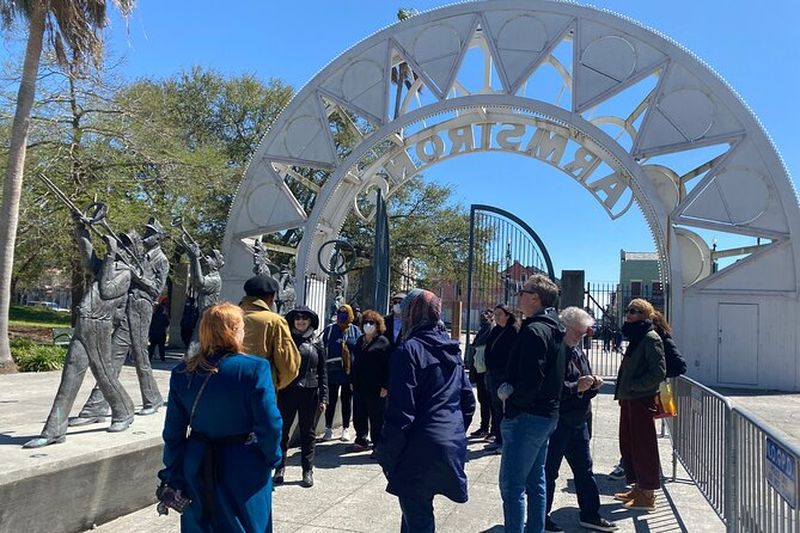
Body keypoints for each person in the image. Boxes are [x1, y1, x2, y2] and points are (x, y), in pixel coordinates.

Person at [157, 303, 283, 531]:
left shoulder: (183, 372)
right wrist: (272, 458)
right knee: (246, 525)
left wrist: (173, 472)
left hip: (196, 462)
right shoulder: (253, 369)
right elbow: (270, 424)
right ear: (234, 330)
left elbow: (173, 433)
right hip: (243, 463)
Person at [24, 221, 136, 448]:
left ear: (131, 252)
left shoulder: (125, 273)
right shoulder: (108, 265)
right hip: (85, 322)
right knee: (71, 374)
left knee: (103, 374)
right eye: (119, 243)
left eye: (125, 245)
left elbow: (106, 290)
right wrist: (81, 229)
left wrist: (111, 255)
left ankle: (124, 411)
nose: (120, 246)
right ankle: (54, 430)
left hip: (99, 326)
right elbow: (87, 260)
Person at [377, 289, 475, 533]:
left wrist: (386, 453)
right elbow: (467, 401)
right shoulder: (452, 349)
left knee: (418, 515)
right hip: (449, 442)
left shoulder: (408, 350)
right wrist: (453, 430)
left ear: (412, 313)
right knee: (414, 512)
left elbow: (401, 411)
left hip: (417, 446)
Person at [498, 274, 565, 533]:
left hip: (527, 416)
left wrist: (511, 400)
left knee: (512, 486)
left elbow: (530, 379)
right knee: (536, 480)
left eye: (522, 292)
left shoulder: (535, 330)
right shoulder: (553, 327)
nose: (519, 297)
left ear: (535, 298)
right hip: (546, 415)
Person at [544, 307, 617, 532]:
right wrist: (577, 386)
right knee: (549, 471)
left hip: (578, 419)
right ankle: (541, 516)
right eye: (578, 332)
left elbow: (582, 383)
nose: (582, 336)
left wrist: (592, 384)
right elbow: (549, 388)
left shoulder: (577, 351)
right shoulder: (555, 351)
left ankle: (590, 514)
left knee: (584, 471)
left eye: (585, 332)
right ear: (565, 328)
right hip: (559, 421)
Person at [613, 298, 666, 512]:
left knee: (644, 446)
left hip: (641, 399)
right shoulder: (637, 337)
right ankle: (637, 486)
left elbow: (658, 372)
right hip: (630, 399)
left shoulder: (650, 338)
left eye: (633, 311)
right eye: (628, 310)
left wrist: (634, 386)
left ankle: (648, 493)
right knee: (629, 443)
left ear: (644, 315)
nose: (628, 314)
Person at [275, 305, 327, 488]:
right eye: (298, 318)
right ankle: (279, 468)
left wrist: (324, 398)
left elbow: (323, 371)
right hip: (288, 391)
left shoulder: (317, 342)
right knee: (282, 431)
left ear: (310, 321)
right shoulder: (287, 339)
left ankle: (307, 470)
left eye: (305, 318)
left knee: (308, 432)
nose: (301, 321)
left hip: (310, 391)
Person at [240, 274, 301, 391]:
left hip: (229, 389)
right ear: (271, 298)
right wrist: (274, 384)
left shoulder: (228, 317)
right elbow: (289, 366)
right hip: (260, 389)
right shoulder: (275, 321)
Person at [351, 310, 391, 454]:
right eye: (365, 322)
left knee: (376, 418)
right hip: (359, 386)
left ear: (377, 325)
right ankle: (361, 439)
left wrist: (385, 386)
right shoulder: (360, 341)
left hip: (376, 388)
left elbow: (388, 366)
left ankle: (378, 445)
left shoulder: (383, 342)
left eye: (371, 323)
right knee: (359, 414)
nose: (368, 325)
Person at [321, 304, 361, 441]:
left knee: (346, 399)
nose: (342, 315)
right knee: (330, 400)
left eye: (345, 313)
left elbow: (359, 349)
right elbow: (322, 347)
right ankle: (328, 428)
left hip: (349, 373)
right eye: (339, 313)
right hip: (332, 371)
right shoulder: (330, 330)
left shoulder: (355, 331)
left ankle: (345, 428)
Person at [484, 303, 518, 450]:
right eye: (495, 314)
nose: (496, 317)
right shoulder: (496, 330)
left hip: (504, 375)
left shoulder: (513, 331)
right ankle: (497, 438)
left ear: (508, 315)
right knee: (495, 406)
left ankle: (505, 441)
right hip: (492, 373)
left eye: (499, 314)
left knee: (504, 409)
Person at [465, 309, 494, 439]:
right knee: (483, 400)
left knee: (489, 401)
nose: (484, 316)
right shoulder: (483, 330)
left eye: (488, 313)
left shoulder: (491, 330)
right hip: (479, 368)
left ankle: (491, 429)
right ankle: (484, 427)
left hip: (487, 370)